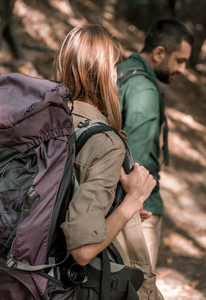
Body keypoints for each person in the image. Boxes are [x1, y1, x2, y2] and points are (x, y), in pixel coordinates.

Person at [54, 24, 160, 298]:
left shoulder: (48, 122)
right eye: (114, 67)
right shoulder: (104, 142)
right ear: (100, 72)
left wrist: (115, 207)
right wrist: (132, 200)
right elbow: (83, 250)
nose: (117, 75)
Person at [117, 18, 194, 271]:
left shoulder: (118, 69)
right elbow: (138, 159)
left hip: (106, 203)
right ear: (160, 53)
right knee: (141, 289)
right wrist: (137, 206)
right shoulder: (145, 91)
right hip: (139, 211)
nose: (182, 69)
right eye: (180, 60)